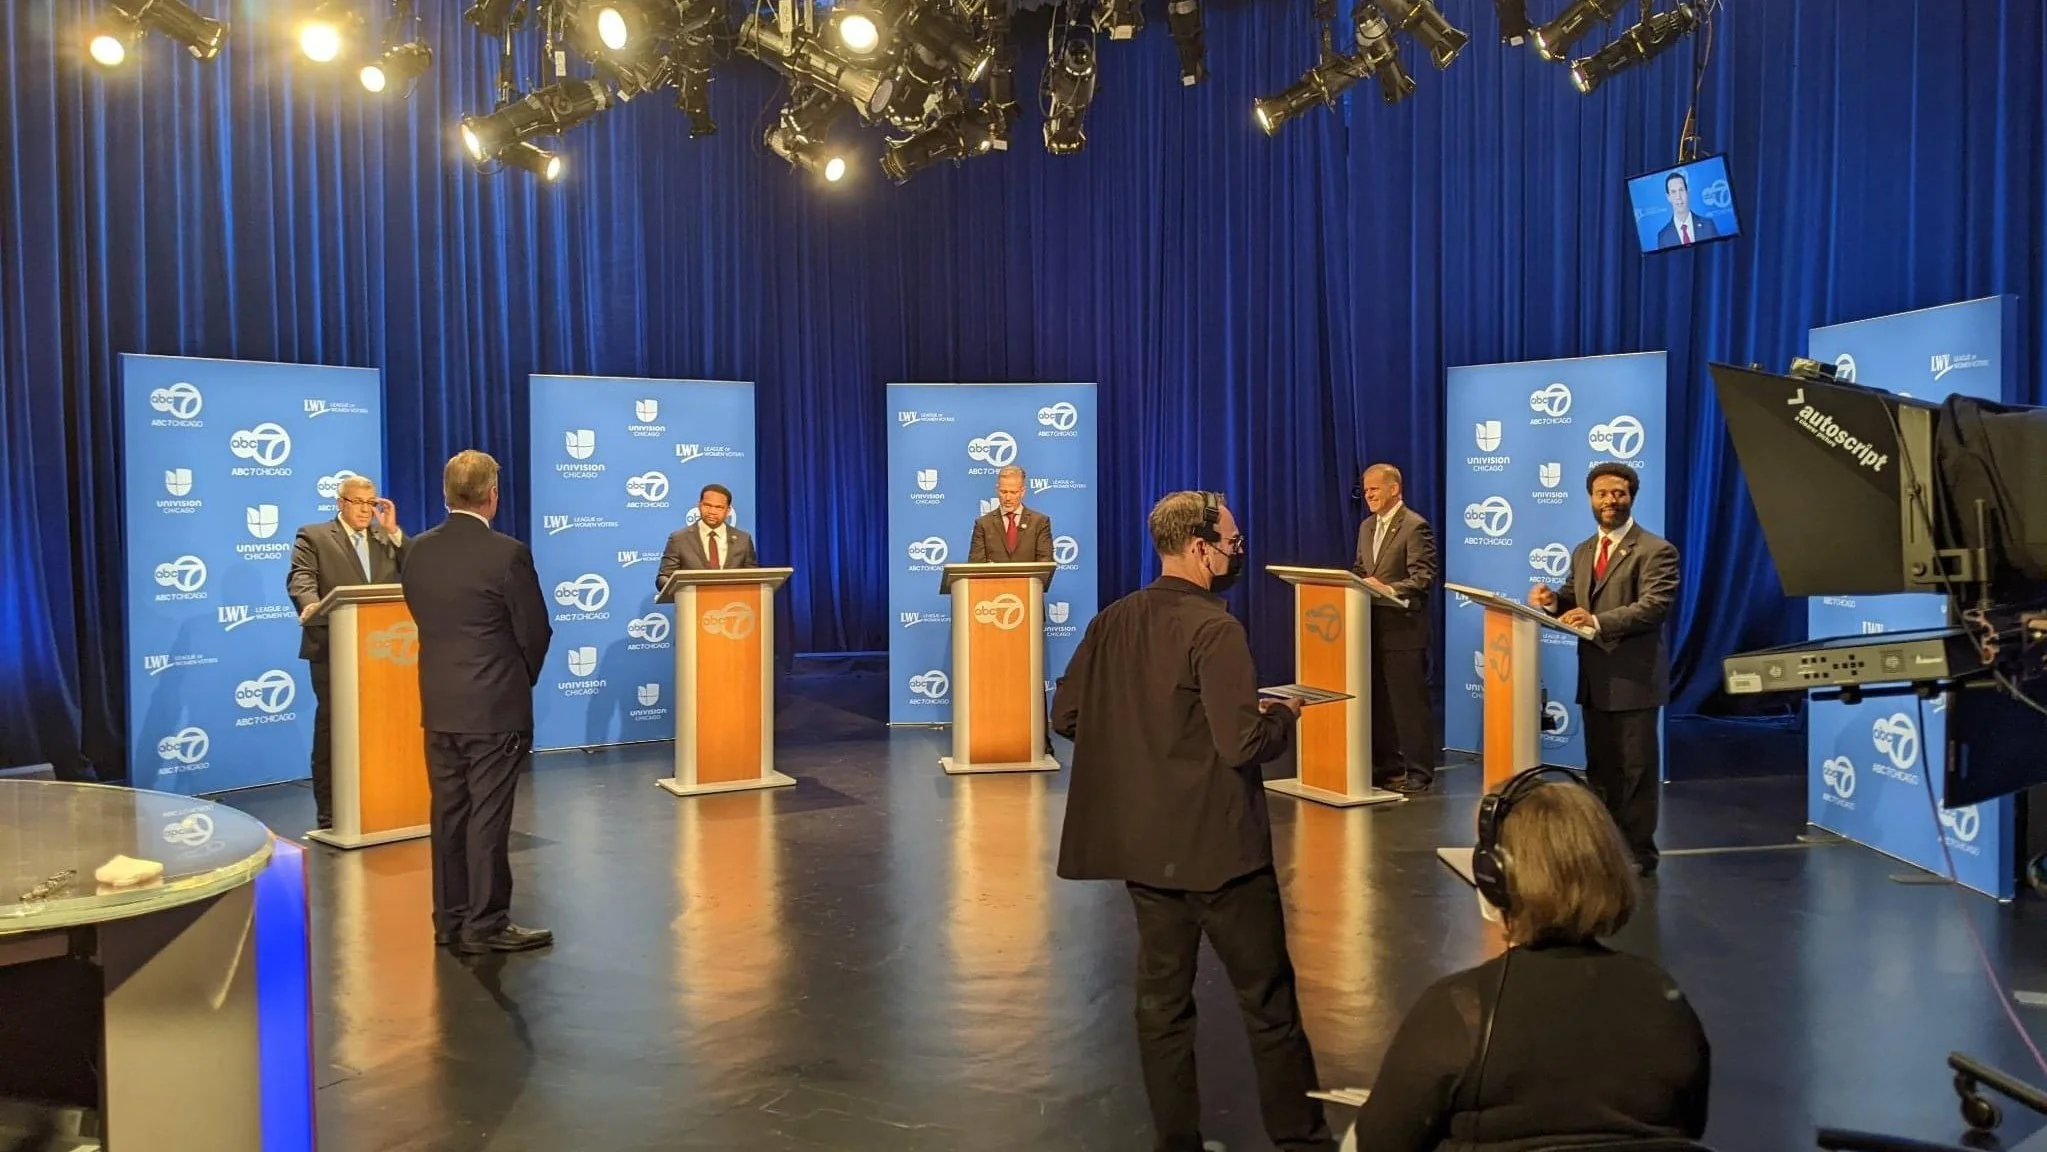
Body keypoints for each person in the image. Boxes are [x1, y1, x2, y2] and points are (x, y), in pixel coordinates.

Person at [1052, 490, 1334, 1152]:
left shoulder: (1112, 620)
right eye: (1231, 541)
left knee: (1161, 1007)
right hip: (1222, 852)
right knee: (1267, 1005)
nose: (1238, 550)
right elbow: (1241, 744)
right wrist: (1282, 717)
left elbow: (1066, 717)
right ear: (1200, 549)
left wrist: (1143, 736)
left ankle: (1175, 1141)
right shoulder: (1216, 629)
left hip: (1147, 853)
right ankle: (1301, 1140)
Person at [1345, 768, 1710, 1152]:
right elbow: (1688, 1128)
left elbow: (1380, 1141)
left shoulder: (1458, 1009)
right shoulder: (1665, 1000)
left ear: (1494, 877)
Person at [401, 450, 555, 955]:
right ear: (493, 496)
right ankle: (485, 924)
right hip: (493, 708)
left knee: (449, 814)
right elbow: (534, 631)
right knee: (487, 818)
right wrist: (518, 679)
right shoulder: (507, 553)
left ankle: (449, 919)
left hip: (440, 703)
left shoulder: (417, 551)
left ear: (447, 494)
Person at [1527, 463, 1678, 875]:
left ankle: (1637, 855)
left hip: (1633, 681)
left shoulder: (1655, 550)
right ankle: (1606, 850)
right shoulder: (1582, 550)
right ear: (1590, 498)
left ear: (1631, 497)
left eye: (1619, 493)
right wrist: (1551, 601)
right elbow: (1574, 597)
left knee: (1635, 774)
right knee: (1601, 772)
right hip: (1595, 680)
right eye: (1603, 493)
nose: (1611, 500)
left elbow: (1653, 607)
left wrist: (1596, 622)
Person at [286, 474, 406, 832]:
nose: (365, 511)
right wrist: (309, 604)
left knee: (384, 731)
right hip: (332, 649)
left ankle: (383, 803)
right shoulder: (315, 536)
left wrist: (395, 532)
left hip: (383, 654)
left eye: (371, 503)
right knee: (333, 732)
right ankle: (331, 813)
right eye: (358, 502)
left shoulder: (387, 539)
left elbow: (418, 569)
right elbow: (301, 577)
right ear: (340, 502)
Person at [1349, 463, 1439, 793]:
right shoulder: (1366, 527)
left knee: (1407, 704)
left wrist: (1388, 588)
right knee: (1380, 703)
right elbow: (1360, 569)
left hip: (1403, 628)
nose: (1368, 495)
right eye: (1366, 489)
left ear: (1394, 490)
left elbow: (1423, 578)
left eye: (1374, 489)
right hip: (1370, 626)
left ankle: (1419, 771)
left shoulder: (1415, 526)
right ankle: (1386, 766)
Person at [654, 483, 757, 591]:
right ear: (699, 505)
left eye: (719, 507)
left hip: (733, 604)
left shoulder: (743, 539)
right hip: (692, 604)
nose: (712, 512)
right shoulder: (679, 539)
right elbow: (663, 577)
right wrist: (679, 589)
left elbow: (753, 577)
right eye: (707, 505)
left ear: (728, 511)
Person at [967, 464, 1054, 566]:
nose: (1008, 498)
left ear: (1022, 492)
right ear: (997, 489)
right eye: (1003, 492)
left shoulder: (1040, 522)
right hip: (993, 582)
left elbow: (1045, 564)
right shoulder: (983, 524)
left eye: (1013, 492)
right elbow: (976, 567)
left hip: (1028, 582)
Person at [1656, 171, 1719, 248]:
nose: (1678, 197)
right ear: (1668, 197)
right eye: (1673, 192)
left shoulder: (1708, 225)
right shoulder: (1663, 236)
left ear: (1687, 192)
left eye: (1681, 190)